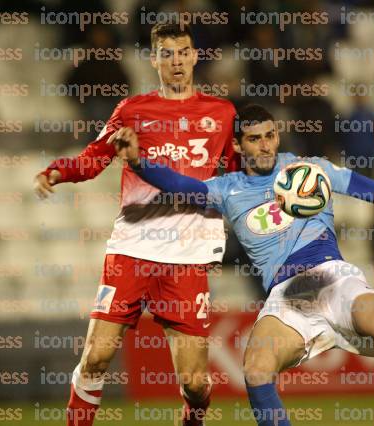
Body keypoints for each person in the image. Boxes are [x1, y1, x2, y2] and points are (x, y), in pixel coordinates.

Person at [110, 104, 374, 426]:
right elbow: (180, 186)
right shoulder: (227, 189)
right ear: (239, 146)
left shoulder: (310, 170)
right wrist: (138, 162)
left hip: (333, 277)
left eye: (270, 135)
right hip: (285, 295)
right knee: (256, 368)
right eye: (255, 139)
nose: (265, 145)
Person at [34, 23, 238, 426]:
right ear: (154, 60)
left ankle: (192, 415)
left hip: (188, 257)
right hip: (131, 250)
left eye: (183, 52)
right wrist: (57, 171)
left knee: (196, 383)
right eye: (167, 53)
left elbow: (237, 181)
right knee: (96, 356)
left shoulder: (222, 114)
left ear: (195, 56)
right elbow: (94, 157)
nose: (176, 61)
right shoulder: (132, 110)